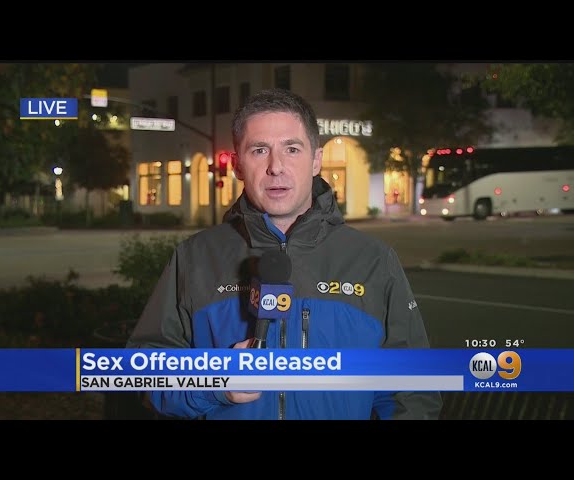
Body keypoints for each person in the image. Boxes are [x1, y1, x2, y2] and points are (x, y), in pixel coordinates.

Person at [127, 88, 443, 420]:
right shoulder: (194, 258)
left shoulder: (373, 260)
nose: (276, 167)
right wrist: (213, 382)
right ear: (237, 165)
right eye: (259, 150)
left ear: (316, 160)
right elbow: (144, 372)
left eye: (292, 149)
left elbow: (414, 389)